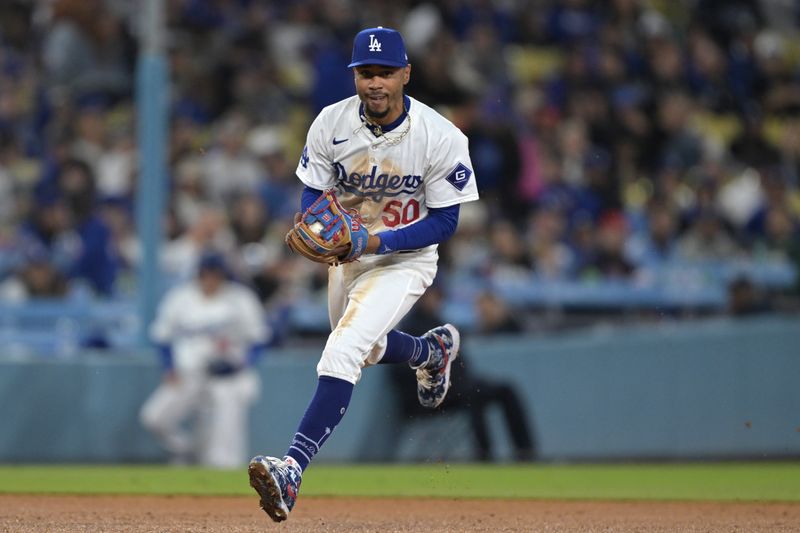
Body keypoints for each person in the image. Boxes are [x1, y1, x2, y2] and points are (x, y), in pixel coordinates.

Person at [248, 26, 480, 522]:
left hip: (406, 256)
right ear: (355, 75)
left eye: (386, 73)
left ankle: (291, 469)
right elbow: (312, 192)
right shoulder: (330, 123)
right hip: (348, 256)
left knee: (344, 348)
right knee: (366, 348)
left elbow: (445, 222)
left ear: (405, 75)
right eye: (366, 73)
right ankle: (429, 351)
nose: (376, 82)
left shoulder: (440, 136)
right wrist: (313, 221)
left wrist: (375, 241)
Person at [139, 251, 269, 468]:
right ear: (198, 274)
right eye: (205, 274)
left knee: (223, 452)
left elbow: (259, 339)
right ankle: (185, 449)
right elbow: (161, 336)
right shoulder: (180, 298)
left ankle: (221, 487)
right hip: (189, 374)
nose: (210, 279)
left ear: (223, 276)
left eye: (215, 274)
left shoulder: (241, 298)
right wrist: (169, 367)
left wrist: (244, 363)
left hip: (228, 378)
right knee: (154, 418)